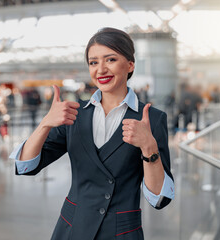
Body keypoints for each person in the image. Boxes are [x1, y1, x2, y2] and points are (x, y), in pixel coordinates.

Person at [9, 27, 174, 240]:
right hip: (71, 229)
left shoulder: (151, 118)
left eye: (110, 59)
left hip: (120, 233)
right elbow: (25, 166)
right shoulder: (74, 113)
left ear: (130, 64)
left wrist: (149, 148)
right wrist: (45, 124)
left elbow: (159, 198)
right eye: (93, 62)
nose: (101, 70)